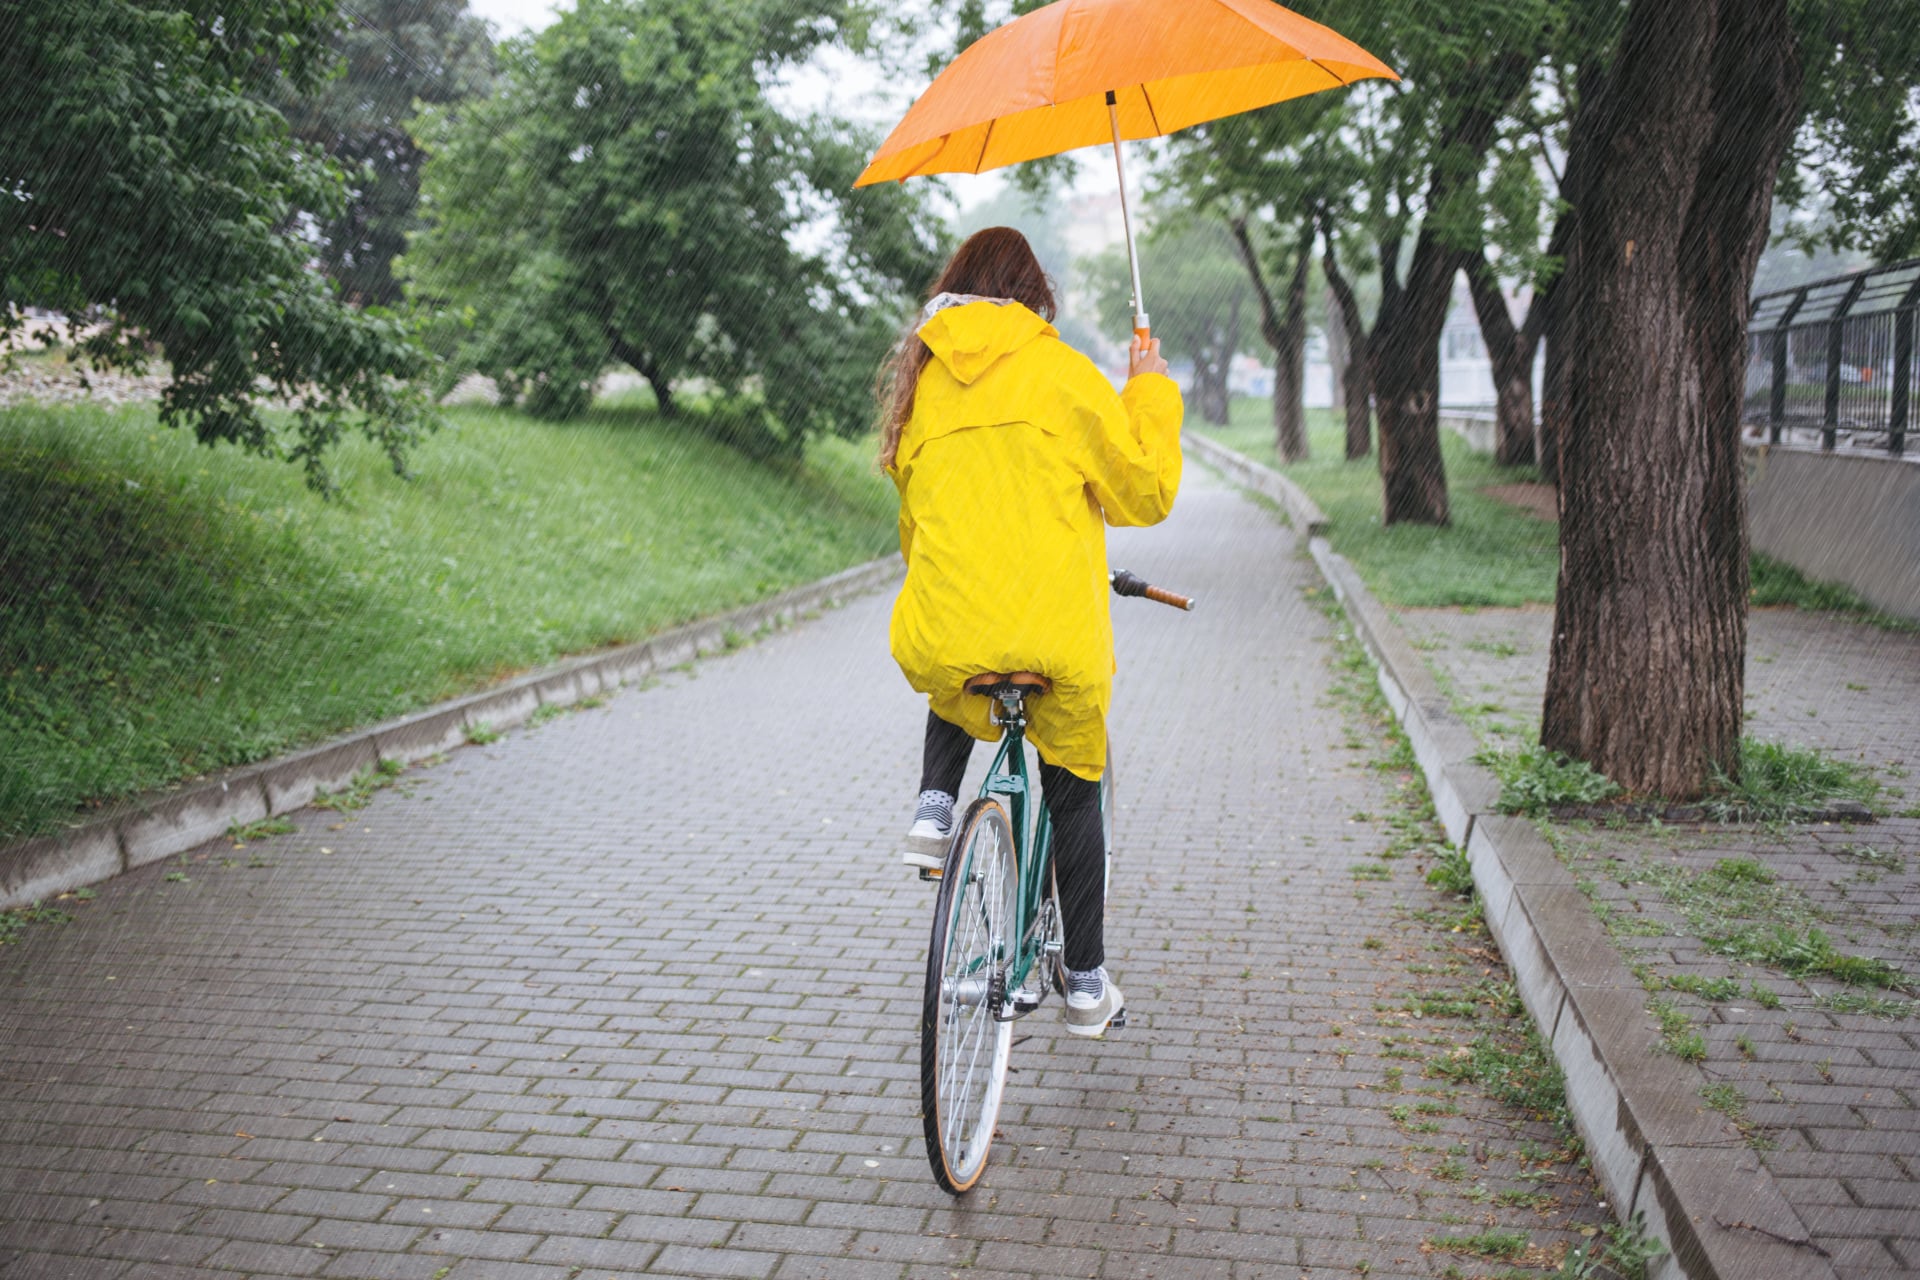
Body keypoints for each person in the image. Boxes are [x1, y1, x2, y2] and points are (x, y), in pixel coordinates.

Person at [878, 226, 1183, 1038]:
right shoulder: (1059, 373)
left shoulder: (926, 389)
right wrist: (1146, 389)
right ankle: (1085, 985)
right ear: (1031, 296)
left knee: (958, 650)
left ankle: (935, 808)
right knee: (1074, 787)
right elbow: (1143, 493)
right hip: (1054, 637)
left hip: (948, 626)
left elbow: (918, 528)